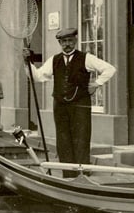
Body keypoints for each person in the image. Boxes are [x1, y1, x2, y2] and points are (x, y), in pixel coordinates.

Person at [23, 27, 116, 177]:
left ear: (75, 41)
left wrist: (97, 83)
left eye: (70, 41)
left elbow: (110, 69)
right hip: (60, 105)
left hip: (80, 105)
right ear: (60, 43)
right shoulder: (54, 59)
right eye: (64, 41)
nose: (67, 44)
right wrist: (28, 62)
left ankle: (83, 176)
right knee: (63, 140)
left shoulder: (86, 58)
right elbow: (39, 77)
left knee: (81, 139)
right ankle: (68, 175)